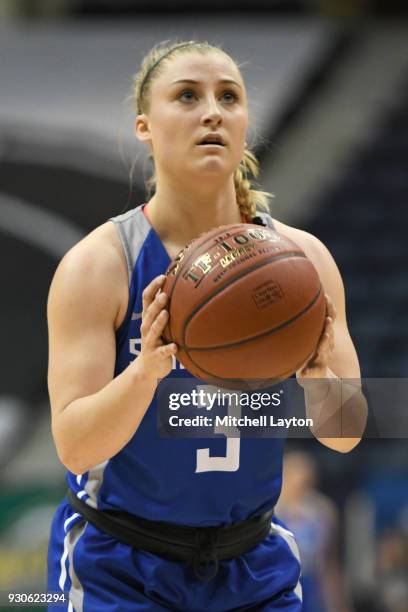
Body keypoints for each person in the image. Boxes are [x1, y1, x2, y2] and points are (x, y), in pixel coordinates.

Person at [46, 40, 368, 611]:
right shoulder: (100, 265)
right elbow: (75, 447)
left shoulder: (302, 262)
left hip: (254, 563)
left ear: (246, 122)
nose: (212, 111)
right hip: (121, 565)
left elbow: (345, 432)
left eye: (229, 97)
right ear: (144, 127)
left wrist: (319, 377)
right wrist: (145, 370)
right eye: (188, 96)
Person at [277, 451, 353, 612]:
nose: (300, 481)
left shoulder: (323, 509)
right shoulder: (271, 510)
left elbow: (330, 562)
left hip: (312, 582)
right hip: (279, 579)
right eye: (294, 474)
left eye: (304, 476)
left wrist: (339, 603)